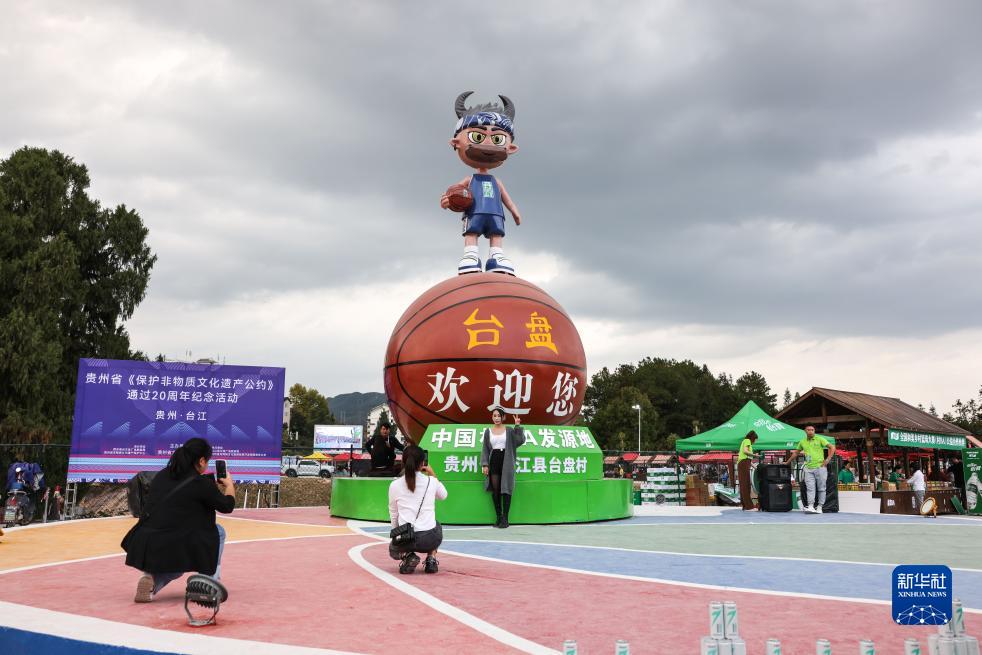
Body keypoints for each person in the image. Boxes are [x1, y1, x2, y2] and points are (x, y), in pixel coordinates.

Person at [123, 437, 235, 602]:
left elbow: (186, 490)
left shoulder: (162, 475)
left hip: (149, 539)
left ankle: (151, 580)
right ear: (201, 461)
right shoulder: (201, 484)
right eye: (207, 461)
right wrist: (230, 486)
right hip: (177, 540)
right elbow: (227, 506)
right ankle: (209, 582)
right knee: (219, 532)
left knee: (176, 569)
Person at [388, 445, 447, 574]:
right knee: (436, 525)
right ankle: (431, 559)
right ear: (422, 463)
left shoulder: (394, 485)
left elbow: (394, 514)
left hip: (406, 540)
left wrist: (397, 535)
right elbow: (443, 495)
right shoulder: (431, 481)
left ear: (403, 462)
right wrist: (432, 472)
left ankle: (409, 556)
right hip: (430, 540)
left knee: (393, 549)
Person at [480, 407, 525, 528]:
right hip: (494, 460)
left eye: (499, 416)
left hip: (507, 461)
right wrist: (485, 464)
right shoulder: (488, 431)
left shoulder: (509, 430)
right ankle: (498, 517)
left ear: (503, 417)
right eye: (494, 416)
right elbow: (485, 448)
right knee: (496, 491)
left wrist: (517, 426)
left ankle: (505, 519)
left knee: (506, 489)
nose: (496, 418)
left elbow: (519, 441)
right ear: (492, 417)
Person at [785, 425, 836, 514]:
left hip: (820, 467)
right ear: (805, 431)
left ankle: (820, 507)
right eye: (808, 430)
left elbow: (832, 447)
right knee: (810, 488)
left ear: (814, 431)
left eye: (812, 430)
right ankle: (811, 506)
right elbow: (796, 453)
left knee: (821, 488)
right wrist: (787, 462)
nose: (811, 431)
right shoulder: (802, 442)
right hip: (808, 468)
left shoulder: (820, 439)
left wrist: (828, 459)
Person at [738, 431, 758, 511]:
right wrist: (755, 455)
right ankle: (749, 506)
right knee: (746, 484)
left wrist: (755, 467)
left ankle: (745, 505)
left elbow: (748, 459)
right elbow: (745, 451)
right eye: (755, 439)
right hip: (743, 463)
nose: (755, 441)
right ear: (752, 438)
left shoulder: (745, 441)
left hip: (744, 463)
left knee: (744, 484)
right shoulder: (747, 441)